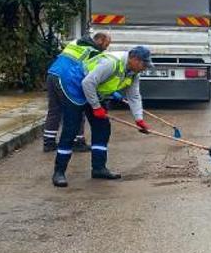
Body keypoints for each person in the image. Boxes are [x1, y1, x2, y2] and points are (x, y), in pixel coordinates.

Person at [50, 46, 153, 187]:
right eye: (144, 64)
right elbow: (87, 83)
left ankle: (99, 168)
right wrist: (96, 107)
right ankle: (59, 172)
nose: (145, 68)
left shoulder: (134, 72)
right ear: (134, 59)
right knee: (71, 129)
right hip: (75, 87)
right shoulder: (111, 63)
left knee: (102, 128)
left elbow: (134, 96)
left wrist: (139, 119)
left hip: (94, 91)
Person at [43, 33, 111, 152]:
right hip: (67, 80)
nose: (106, 48)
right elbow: (90, 77)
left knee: (54, 109)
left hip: (52, 74)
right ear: (99, 40)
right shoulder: (94, 53)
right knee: (77, 108)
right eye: (106, 44)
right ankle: (77, 141)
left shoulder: (75, 42)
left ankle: (49, 142)